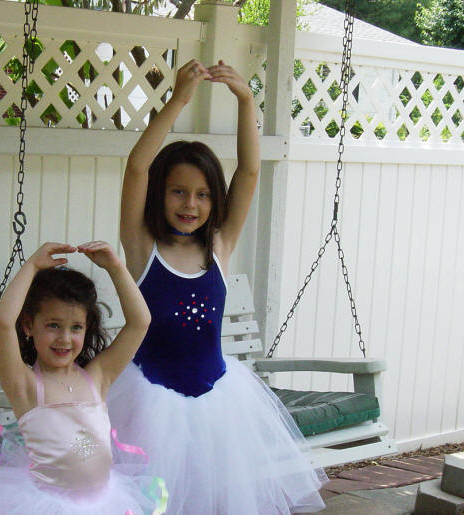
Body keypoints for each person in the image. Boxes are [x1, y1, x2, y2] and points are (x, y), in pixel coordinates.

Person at [108, 58, 327, 514]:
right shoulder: (141, 248)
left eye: (203, 194)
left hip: (218, 406)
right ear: (159, 194)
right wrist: (179, 100)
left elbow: (249, 171)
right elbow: (136, 168)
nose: (191, 203)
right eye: (178, 191)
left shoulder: (220, 248)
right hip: (149, 407)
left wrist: (246, 100)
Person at [0, 241, 167, 515]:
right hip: (46, 506)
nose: (64, 338)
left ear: (87, 329)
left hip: (105, 505)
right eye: (53, 325)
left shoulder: (97, 376)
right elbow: (3, 322)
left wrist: (115, 267)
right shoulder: (25, 386)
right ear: (29, 326)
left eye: (76, 327)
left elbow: (140, 322)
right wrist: (32, 265)